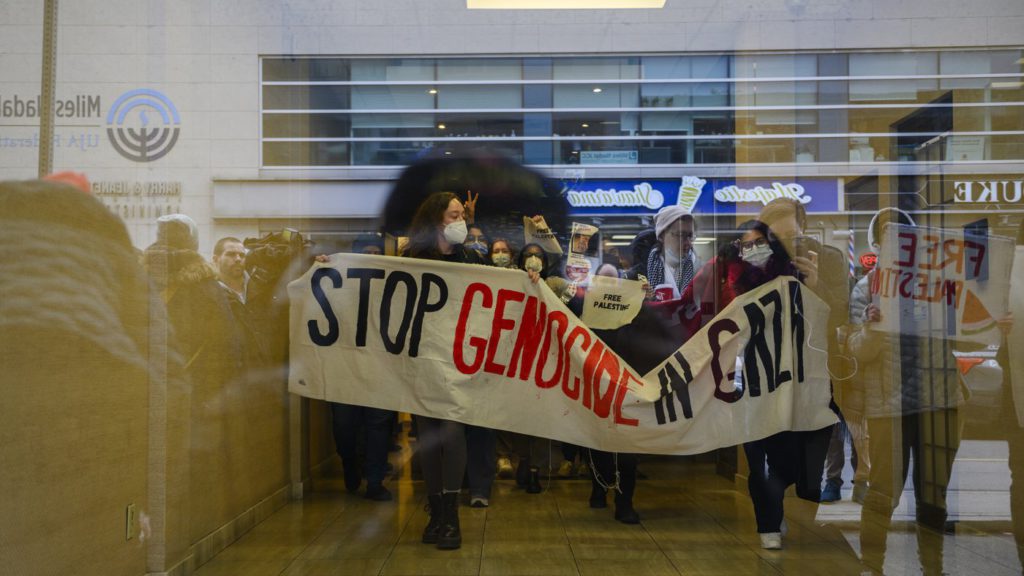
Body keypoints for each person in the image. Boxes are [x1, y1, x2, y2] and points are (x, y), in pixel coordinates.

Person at [848, 207, 962, 575]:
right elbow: (859, 352)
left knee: (933, 497)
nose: (897, 248)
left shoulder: (939, 283)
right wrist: (873, 326)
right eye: (887, 241)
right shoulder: (866, 289)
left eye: (904, 240)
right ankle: (872, 566)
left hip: (937, 400)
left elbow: (963, 332)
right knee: (883, 494)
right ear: (876, 246)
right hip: (888, 407)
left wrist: (991, 321)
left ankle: (933, 568)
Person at [645, 206, 702, 299]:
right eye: (680, 235)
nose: (688, 243)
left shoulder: (701, 270)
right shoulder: (642, 272)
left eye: (690, 236)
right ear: (661, 236)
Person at [212, 236, 248, 303]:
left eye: (242, 255)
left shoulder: (259, 287)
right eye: (231, 254)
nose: (238, 259)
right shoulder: (208, 291)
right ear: (216, 259)